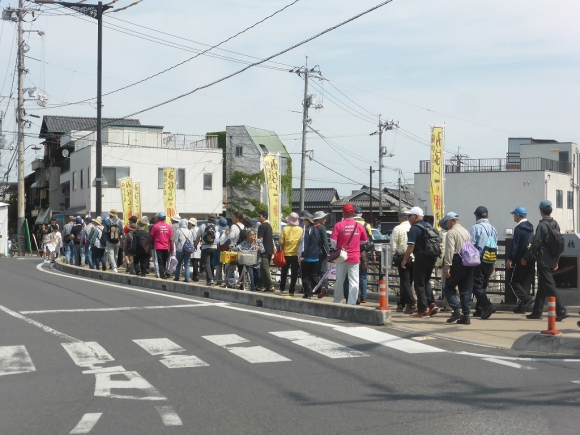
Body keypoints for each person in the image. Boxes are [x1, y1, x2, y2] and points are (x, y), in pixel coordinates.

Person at [523, 200, 568, 321]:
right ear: (551, 210)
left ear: (541, 211)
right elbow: (559, 244)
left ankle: (561, 309)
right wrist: (556, 260)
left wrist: (526, 257)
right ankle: (537, 311)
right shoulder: (555, 224)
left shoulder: (542, 226)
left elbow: (536, 243)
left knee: (549, 285)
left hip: (543, 260)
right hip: (552, 259)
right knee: (542, 286)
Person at [401, 206, 440, 317]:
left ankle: (423, 310)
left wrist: (404, 259)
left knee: (419, 283)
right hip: (431, 257)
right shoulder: (428, 226)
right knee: (426, 281)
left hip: (421, 257)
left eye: (410, 216)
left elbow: (411, 246)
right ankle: (432, 304)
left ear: (416, 216)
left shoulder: (414, 228)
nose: (408, 218)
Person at [441, 213, 476, 325]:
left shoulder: (451, 233)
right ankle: (466, 316)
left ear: (451, 221)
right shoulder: (466, 231)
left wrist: (447, 266)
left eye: (446, 222)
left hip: (457, 260)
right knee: (466, 290)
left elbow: (450, 250)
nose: (447, 225)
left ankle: (456, 310)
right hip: (468, 261)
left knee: (448, 288)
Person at [330, 203, 368, 305]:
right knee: (354, 281)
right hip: (355, 257)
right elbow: (364, 242)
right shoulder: (359, 226)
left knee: (339, 280)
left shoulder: (338, 225)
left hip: (342, 257)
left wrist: (338, 249)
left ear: (343, 212)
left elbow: (333, 241)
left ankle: (337, 301)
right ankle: (351, 302)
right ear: (353, 213)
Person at [469, 206, 498, 319]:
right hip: (490, 259)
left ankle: (487, 306)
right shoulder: (493, 229)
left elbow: (471, 244)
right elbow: (495, 245)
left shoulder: (475, 228)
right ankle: (480, 309)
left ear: (476, 216)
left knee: (476, 285)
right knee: (483, 284)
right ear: (488, 215)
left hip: (479, 259)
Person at [506, 206, 535, 313]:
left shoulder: (519, 228)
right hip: (530, 258)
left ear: (518, 215)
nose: (514, 216)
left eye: (514, 214)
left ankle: (527, 299)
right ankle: (522, 307)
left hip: (520, 259)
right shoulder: (531, 226)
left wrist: (510, 259)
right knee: (525, 283)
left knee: (514, 282)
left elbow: (515, 245)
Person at [344, 206, 375, 303]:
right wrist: (373, 253)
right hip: (364, 253)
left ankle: (353, 297)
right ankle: (363, 297)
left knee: (351, 278)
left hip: (352, 253)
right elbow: (370, 241)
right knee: (363, 276)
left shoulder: (350, 223)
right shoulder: (366, 225)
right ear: (361, 214)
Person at [391, 210, 416, 313]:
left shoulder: (398, 228)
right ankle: (401, 303)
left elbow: (393, 245)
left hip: (403, 256)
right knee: (409, 282)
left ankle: (411, 302)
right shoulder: (413, 227)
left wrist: (393, 256)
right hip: (415, 257)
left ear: (399, 218)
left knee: (405, 281)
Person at [279, 212, 303, 296]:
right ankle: (291, 290)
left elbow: (281, 241)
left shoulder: (285, 229)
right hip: (296, 254)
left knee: (284, 271)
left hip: (286, 253)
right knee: (294, 273)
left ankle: (282, 288)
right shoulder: (300, 229)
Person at [146, 211, 174, 279]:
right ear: (165, 218)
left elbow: (150, 237)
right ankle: (163, 274)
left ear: (158, 218)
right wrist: (172, 249)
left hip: (158, 246)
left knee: (159, 262)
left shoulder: (155, 226)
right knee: (164, 261)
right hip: (166, 247)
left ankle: (160, 275)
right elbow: (171, 240)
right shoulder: (169, 227)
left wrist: (146, 244)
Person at [299, 213, 320, 299]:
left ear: (307, 221)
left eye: (303, 219)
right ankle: (322, 286)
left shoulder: (307, 230)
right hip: (315, 256)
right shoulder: (315, 229)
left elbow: (305, 244)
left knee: (305, 276)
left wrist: (302, 255)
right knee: (313, 275)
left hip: (307, 257)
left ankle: (307, 293)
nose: (302, 221)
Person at [196, 214, 218, 285]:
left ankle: (210, 279)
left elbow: (198, 237)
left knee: (207, 264)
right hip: (214, 247)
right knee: (211, 264)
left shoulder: (203, 226)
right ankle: (211, 278)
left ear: (208, 218)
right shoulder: (216, 227)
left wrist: (195, 245)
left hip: (205, 247)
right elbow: (217, 238)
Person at [313, 211, 330, 298]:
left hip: (313, 253)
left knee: (315, 272)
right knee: (323, 271)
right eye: (323, 218)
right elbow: (325, 241)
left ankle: (316, 289)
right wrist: (328, 252)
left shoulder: (312, 227)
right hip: (321, 252)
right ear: (319, 219)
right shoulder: (322, 228)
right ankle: (325, 289)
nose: (325, 219)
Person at [257, 210, 275, 292]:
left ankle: (270, 286)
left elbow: (260, 239)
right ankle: (261, 285)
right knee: (264, 268)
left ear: (264, 217)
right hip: (270, 249)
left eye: (259, 216)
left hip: (264, 250)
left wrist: (258, 248)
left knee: (265, 268)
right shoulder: (269, 226)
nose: (258, 217)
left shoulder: (261, 226)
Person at [174, 218, 194, 283]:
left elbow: (176, 241)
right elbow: (191, 241)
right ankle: (187, 278)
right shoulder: (189, 231)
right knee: (186, 264)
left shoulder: (178, 230)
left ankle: (177, 277)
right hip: (187, 250)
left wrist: (176, 248)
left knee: (178, 264)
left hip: (180, 249)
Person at [215, 217, 230, 286]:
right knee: (227, 266)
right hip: (228, 250)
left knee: (219, 265)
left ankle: (219, 280)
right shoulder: (229, 231)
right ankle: (227, 281)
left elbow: (217, 241)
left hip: (220, 250)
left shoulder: (218, 232)